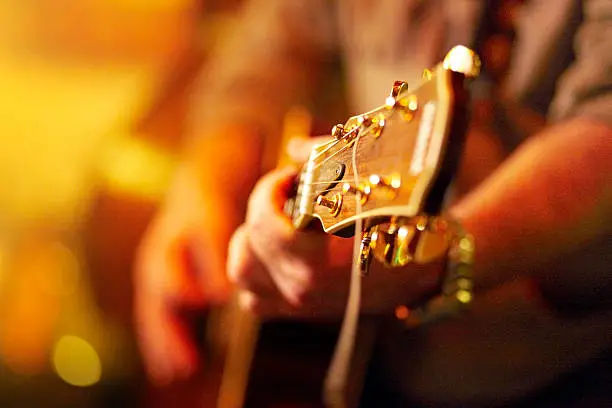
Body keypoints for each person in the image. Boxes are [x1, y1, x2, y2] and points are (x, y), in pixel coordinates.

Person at [135, 0, 612, 406]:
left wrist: (432, 260)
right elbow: (268, 51)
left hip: (559, 364)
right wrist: (200, 192)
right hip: (363, 357)